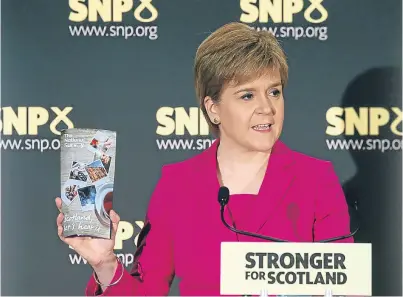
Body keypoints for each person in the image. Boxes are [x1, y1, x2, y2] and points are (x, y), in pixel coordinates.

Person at [55, 22, 353, 296]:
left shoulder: (316, 180)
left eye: (274, 92)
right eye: (247, 95)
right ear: (213, 108)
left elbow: (344, 287)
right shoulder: (178, 185)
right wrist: (105, 262)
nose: (267, 108)